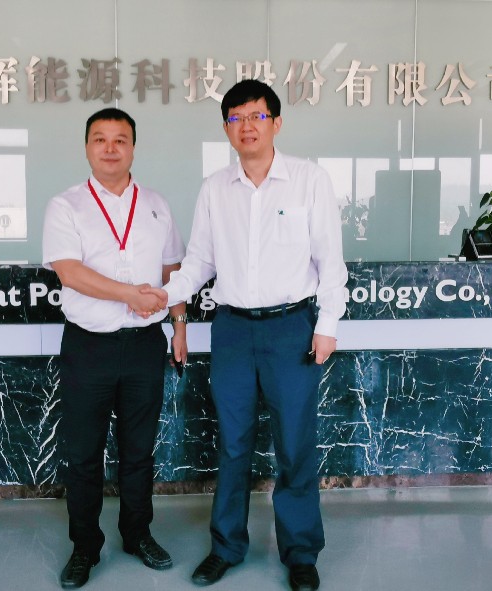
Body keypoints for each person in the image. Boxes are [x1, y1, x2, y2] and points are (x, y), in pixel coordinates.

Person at [145, 79, 347, 591]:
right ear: (226, 129)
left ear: (276, 123)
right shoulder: (215, 188)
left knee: (294, 444)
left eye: (257, 116)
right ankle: (226, 547)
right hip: (233, 328)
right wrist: (164, 295)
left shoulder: (309, 180)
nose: (247, 127)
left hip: (292, 328)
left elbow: (330, 260)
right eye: (236, 118)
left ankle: (300, 553)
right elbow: (199, 261)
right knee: (233, 444)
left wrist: (327, 325)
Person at [41, 107, 188, 588]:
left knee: (139, 451)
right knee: (84, 454)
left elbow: (172, 271)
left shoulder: (157, 205)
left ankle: (137, 534)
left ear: (133, 148)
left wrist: (179, 325)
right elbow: (69, 272)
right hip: (89, 347)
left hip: (145, 345)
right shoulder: (66, 205)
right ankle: (85, 547)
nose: (110, 148)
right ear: (87, 147)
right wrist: (129, 295)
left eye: (120, 139)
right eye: (100, 139)